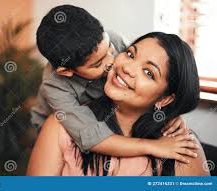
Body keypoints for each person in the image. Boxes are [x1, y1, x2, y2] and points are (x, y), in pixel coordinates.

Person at [27, 32, 210, 176]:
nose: (126, 68)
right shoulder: (60, 124)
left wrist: (171, 115)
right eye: (130, 54)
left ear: (165, 99)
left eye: (148, 72)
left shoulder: (183, 147)